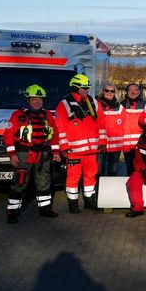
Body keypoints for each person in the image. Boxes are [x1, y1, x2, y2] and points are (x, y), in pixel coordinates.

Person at [3, 84, 61, 222]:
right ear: (28, 100)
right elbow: (8, 135)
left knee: (44, 181)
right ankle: (12, 212)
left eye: (40, 99)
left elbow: (55, 134)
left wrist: (56, 151)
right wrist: (12, 154)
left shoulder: (48, 115)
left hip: (43, 154)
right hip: (24, 154)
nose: (38, 101)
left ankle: (45, 209)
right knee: (19, 182)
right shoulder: (18, 115)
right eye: (34, 99)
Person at [56, 73, 102, 213]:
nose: (87, 90)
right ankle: (73, 203)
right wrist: (64, 147)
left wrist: (103, 141)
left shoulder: (93, 102)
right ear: (75, 88)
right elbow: (60, 128)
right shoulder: (64, 104)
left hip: (92, 150)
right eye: (84, 88)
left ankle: (89, 200)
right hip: (74, 150)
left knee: (90, 175)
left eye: (88, 88)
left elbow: (101, 123)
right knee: (73, 177)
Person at [96, 82, 125, 176]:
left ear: (115, 93)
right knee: (99, 171)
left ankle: (109, 190)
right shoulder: (96, 105)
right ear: (102, 91)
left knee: (112, 172)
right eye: (107, 90)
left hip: (115, 146)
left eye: (112, 91)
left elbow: (125, 124)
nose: (109, 93)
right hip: (100, 145)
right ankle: (97, 190)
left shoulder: (120, 108)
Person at [121, 83, 146, 175]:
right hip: (127, 144)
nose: (133, 92)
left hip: (142, 143)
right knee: (130, 169)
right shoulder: (121, 105)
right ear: (126, 92)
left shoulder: (145, 105)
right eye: (130, 90)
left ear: (139, 92)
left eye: (135, 90)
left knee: (142, 167)